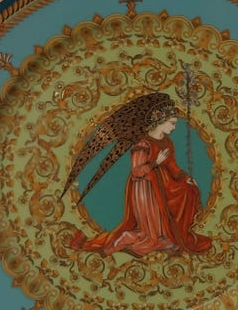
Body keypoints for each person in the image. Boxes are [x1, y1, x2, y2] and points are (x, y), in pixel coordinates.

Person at [72, 102, 212, 256]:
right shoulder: (143, 143)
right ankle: (124, 239)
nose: (174, 127)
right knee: (149, 236)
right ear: (160, 122)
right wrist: (156, 163)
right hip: (145, 186)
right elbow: (137, 171)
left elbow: (173, 166)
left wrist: (186, 178)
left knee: (188, 189)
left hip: (164, 184)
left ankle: (167, 237)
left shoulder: (167, 142)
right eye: (172, 123)